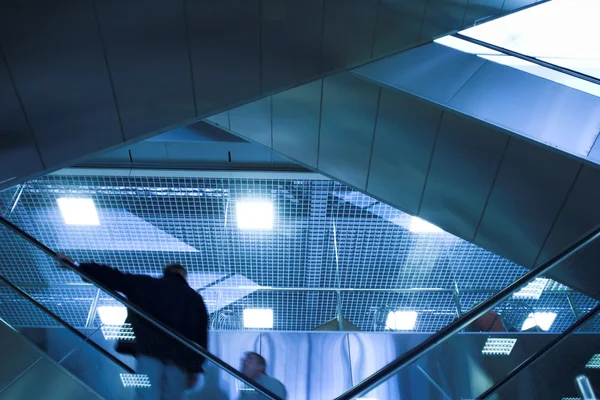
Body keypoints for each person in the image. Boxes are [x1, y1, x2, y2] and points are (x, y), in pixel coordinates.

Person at [56, 254, 208, 400]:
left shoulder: (147, 284)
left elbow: (113, 277)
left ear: (165, 272)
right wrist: (195, 368)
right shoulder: (194, 299)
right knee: (173, 396)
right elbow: (200, 337)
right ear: (184, 275)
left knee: (147, 395)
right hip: (178, 357)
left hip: (149, 349)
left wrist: (76, 265)